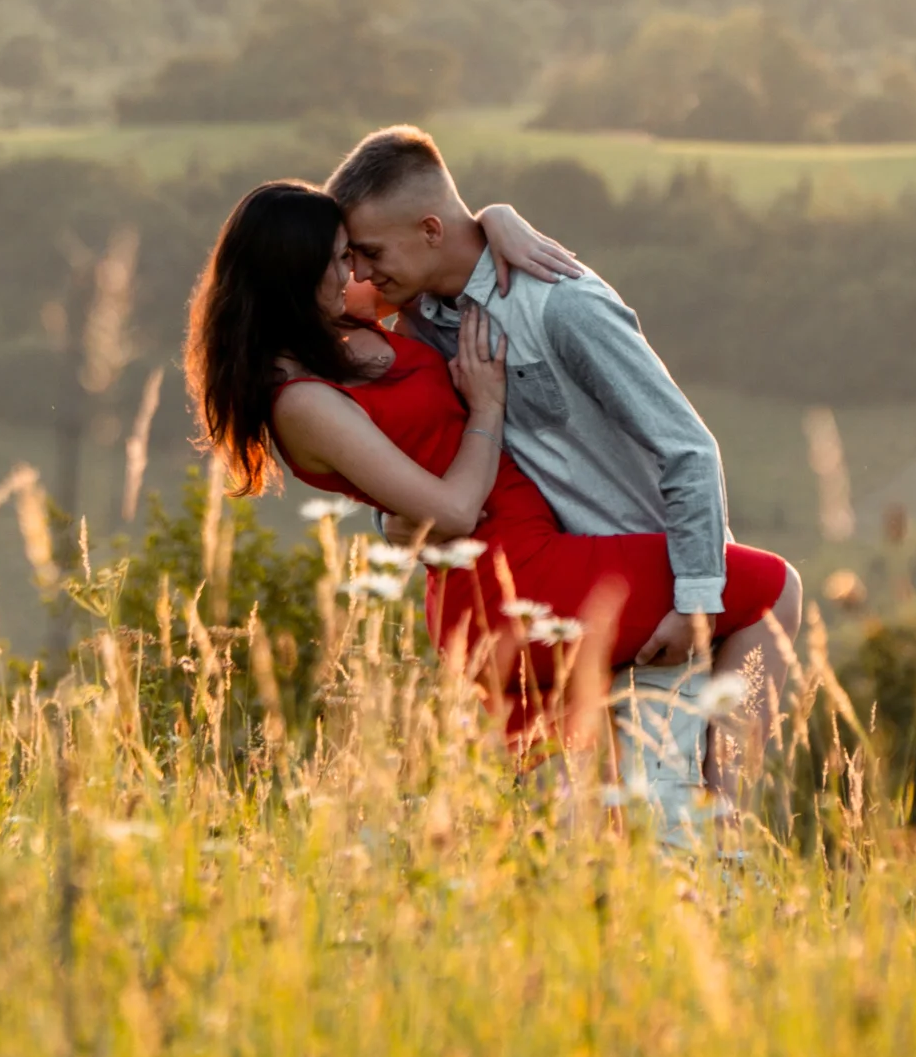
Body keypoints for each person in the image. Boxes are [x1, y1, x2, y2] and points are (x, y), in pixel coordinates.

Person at [185, 174, 799, 796]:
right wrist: (486, 407)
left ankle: (701, 827)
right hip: (512, 578)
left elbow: (438, 253)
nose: (357, 273)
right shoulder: (299, 402)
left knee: (600, 802)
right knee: (774, 590)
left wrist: (496, 221)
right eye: (342, 259)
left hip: (520, 564)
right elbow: (450, 511)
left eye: (358, 254)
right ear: (295, 272)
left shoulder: (344, 325)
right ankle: (728, 806)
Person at [324, 126, 801, 674]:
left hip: (658, 608)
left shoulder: (561, 303)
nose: (360, 271)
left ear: (430, 229)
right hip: (557, 616)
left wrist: (693, 604)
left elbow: (689, 448)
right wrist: (392, 524)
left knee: (711, 761)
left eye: (370, 252)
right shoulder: (417, 325)